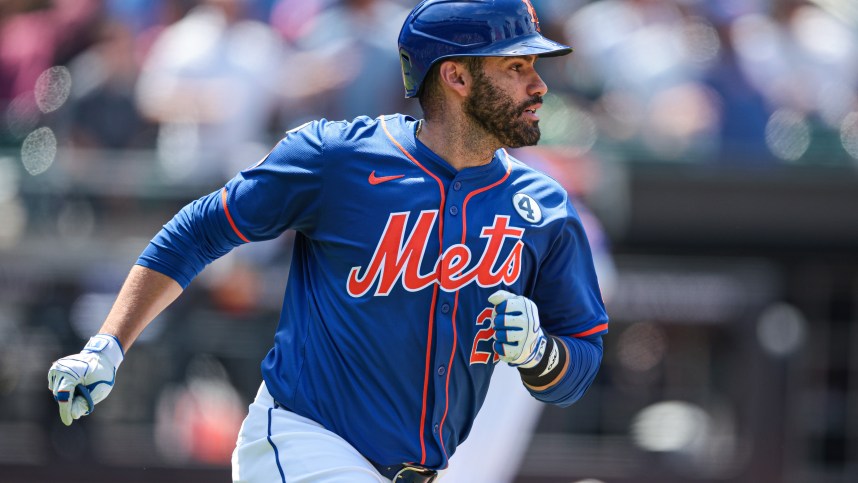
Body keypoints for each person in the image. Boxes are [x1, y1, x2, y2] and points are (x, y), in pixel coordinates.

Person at [47, 1, 609, 482]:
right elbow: (198, 231)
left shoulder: (546, 207)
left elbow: (581, 358)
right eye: (516, 66)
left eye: (535, 65)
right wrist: (109, 343)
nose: (538, 84)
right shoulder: (337, 158)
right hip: (304, 446)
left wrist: (541, 354)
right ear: (456, 77)